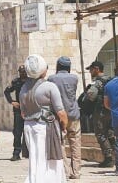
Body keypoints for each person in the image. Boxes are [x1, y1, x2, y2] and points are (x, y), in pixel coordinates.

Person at [19, 54, 67, 182]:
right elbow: (61, 112)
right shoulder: (49, 86)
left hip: (29, 127)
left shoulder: (23, 88)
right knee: (49, 160)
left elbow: (23, 113)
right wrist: (64, 126)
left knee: (35, 159)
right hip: (45, 127)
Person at [47, 56, 81, 179]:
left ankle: (65, 172)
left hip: (59, 116)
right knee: (75, 144)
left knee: (61, 144)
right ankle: (76, 172)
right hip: (74, 114)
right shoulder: (74, 78)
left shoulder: (51, 79)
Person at [85, 60, 113, 167]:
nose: (90, 72)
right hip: (111, 110)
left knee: (101, 133)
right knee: (110, 133)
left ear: (97, 69)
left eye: (91, 70)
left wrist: (87, 92)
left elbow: (91, 96)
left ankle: (108, 158)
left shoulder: (98, 82)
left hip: (101, 111)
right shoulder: (110, 79)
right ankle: (117, 156)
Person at [3, 64, 28, 161]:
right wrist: (12, 101)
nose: (23, 74)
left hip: (30, 110)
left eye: (24, 72)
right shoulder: (16, 82)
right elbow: (7, 91)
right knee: (17, 132)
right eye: (21, 72)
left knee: (29, 132)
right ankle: (16, 153)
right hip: (19, 111)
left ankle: (29, 152)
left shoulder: (30, 82)